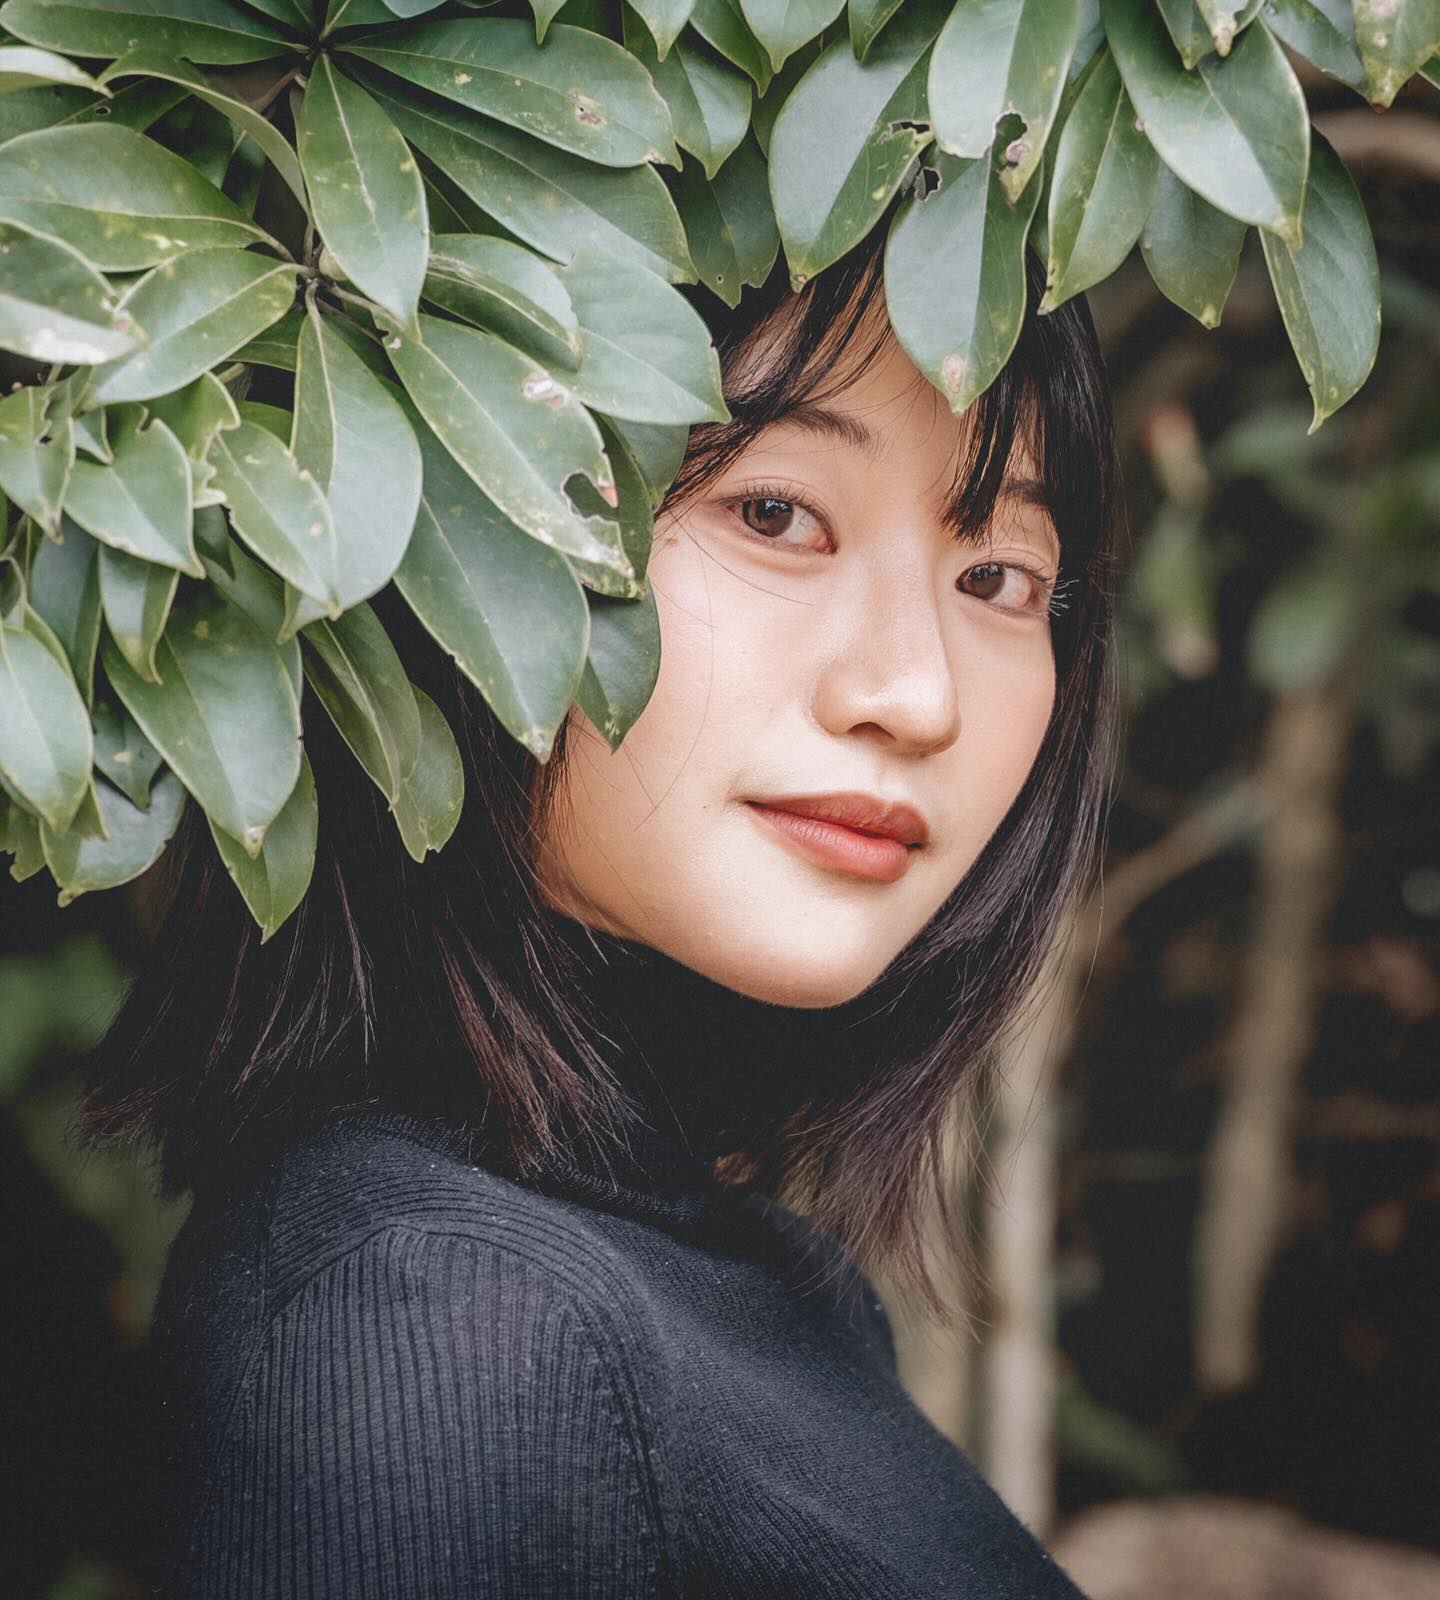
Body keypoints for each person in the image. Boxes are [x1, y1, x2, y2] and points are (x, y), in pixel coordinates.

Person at [84, 230, 1119, 1596]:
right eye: (774, 514)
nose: (917, 696)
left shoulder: (743, 1285)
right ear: (450, 533)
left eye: (999, 578)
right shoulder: (434, 1317)